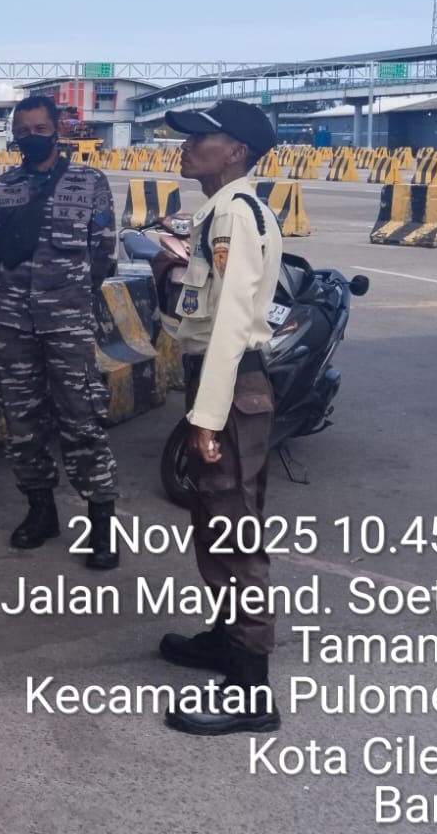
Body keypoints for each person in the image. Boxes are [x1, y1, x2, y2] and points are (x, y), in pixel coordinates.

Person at [156, 100, 284, 736]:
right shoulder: (219, 211)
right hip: (220, 382)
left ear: (235, 152)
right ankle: (225, 640)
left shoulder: (234, 213)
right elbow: (200, 311)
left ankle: (252, 694)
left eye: (201, 138)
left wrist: (207, 418)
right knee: (214, 524)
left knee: (235, 539)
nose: (186, 147)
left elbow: (232, 323)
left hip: (229, 387)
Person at [0, 96, 121, 568]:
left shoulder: (90, 182)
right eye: (23, 131)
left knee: (82, 420)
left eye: (40, 128)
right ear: (14, 136)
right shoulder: (1, 190)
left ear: (57, 131)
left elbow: (102, 251)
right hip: (10, 326)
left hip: (67, 325)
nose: (32, 137)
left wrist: (72, 297)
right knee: (22, 423)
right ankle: (41, 511)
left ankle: (101, 524)